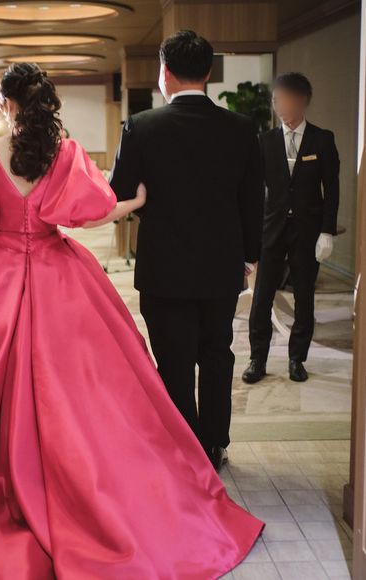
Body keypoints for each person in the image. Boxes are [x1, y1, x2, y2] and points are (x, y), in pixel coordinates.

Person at [0, 62, 263, 578]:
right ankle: (80, 478)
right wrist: (135, 201)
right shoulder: (65, 154)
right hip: (59, 273)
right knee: (87, 391)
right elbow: (92, 211)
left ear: (6, 103)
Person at [110, 30, 265, 470]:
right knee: (217, 353)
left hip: (165, 268)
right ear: (209, 72)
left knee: (174, 361)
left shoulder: (141, 127)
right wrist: (248, 255)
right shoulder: (241, 128)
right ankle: (215, 444)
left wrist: (147, 203)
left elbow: (120, 194)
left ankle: (185, 448)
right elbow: (253, 198)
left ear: (165, 72)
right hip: (221, 266)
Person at [242, 73, 340, 384]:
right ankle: (257, 359)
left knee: (304, 297)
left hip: (308, 232)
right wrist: (249, 235)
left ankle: (297, 358)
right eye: (276, 100)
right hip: (271, 230)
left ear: (302, 100)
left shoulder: (322, 140)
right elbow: (253, 192)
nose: (280, 106)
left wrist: (326, 231)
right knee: (262, 297)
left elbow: (332, 190)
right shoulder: (265, 141)